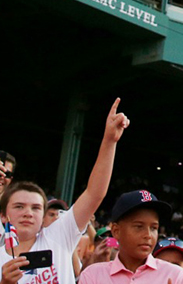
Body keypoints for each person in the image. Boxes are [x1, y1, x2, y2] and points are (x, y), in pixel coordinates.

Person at [0, 100, 129, 284]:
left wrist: (110, 140)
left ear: (43, 216)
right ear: (3, 216)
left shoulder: (59, 236)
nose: (28, 213)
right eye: (19, 206)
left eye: (36, 208)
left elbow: (94, 194)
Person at [79, 190, 183, 284]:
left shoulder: (176, 276)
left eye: (153, 228)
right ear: (116, 231)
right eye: (139, 226)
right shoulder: (93, 276)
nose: (148, 235)